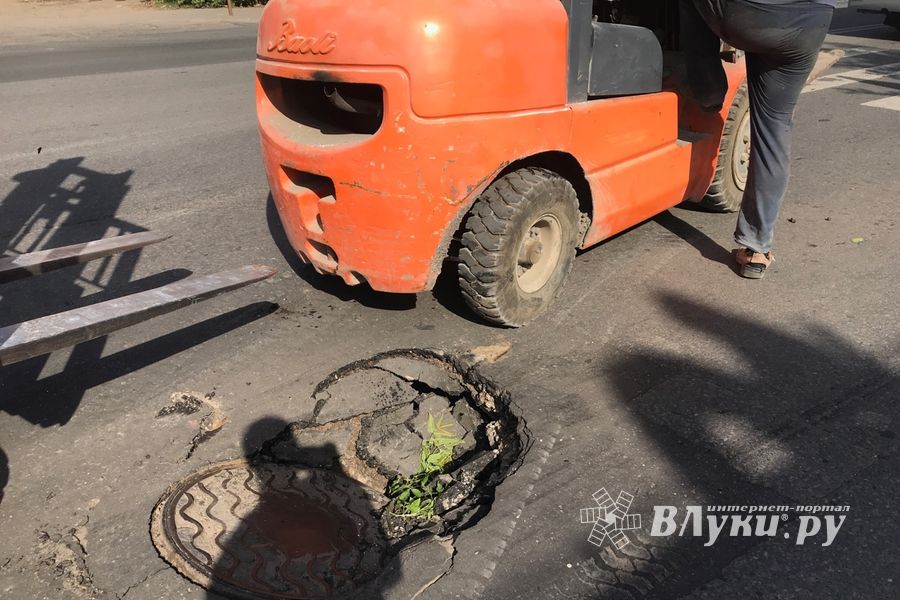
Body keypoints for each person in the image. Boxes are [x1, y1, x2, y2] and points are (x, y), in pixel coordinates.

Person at [681, 0, 836, 278]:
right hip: (813, 20)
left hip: (750, 11)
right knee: (775, 128)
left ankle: (708, 90)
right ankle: (757, 249)